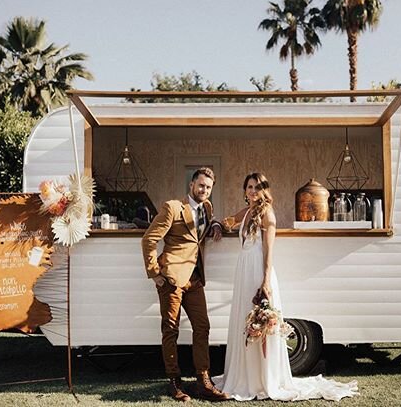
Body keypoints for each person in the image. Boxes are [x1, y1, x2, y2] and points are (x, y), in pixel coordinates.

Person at [215, 172, 359, 401]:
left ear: (264, 190)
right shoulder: (249, 211)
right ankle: (245, 375)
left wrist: (264, 281)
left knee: (259, 324)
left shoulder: (267, 214)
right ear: (245, 190)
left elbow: (268, 251)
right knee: (243, 319)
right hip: (243, 270)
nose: (252, 191)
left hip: (257, 271)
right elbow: (228, 220)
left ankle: (262, 378)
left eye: (257, 187)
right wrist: (217, 225)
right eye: (249, 187)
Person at [141, 167, 230, 402]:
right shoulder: (173, 207)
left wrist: (217, 225)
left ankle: (203, 381)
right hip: (171, 278)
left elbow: (201, 232)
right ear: (191, 185)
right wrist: (154, 273)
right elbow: (149, 239)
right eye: (201, 185)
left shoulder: (207, 208)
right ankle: (174, 382)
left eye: (209, 187)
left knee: (203, 327)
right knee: (170, 330)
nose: (204, 190)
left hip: (195, 278)